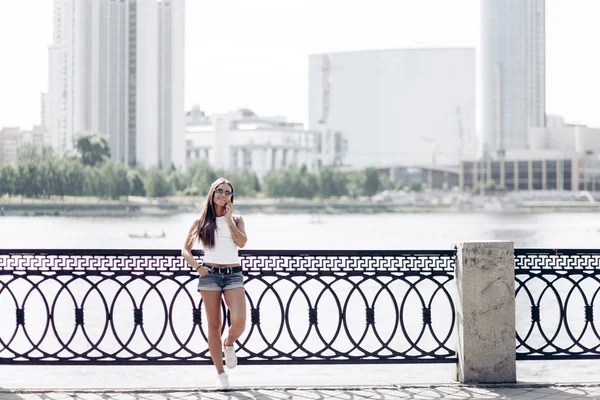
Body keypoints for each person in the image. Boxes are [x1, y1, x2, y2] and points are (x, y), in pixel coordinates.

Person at [181, 178, 248, 390]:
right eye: (219, 190)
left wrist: (228, 219)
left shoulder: (237, 219)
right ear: (212, 192)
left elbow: (242, 243)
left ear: (231, 197)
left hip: (233, 274)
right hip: (209, 275)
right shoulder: (200, 222)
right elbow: (185, 249)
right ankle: (220, 374)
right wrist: (198, 267)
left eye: (228, 192)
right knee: (214, 325)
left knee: (239, 321)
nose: (223, 194)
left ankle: (228, 344)